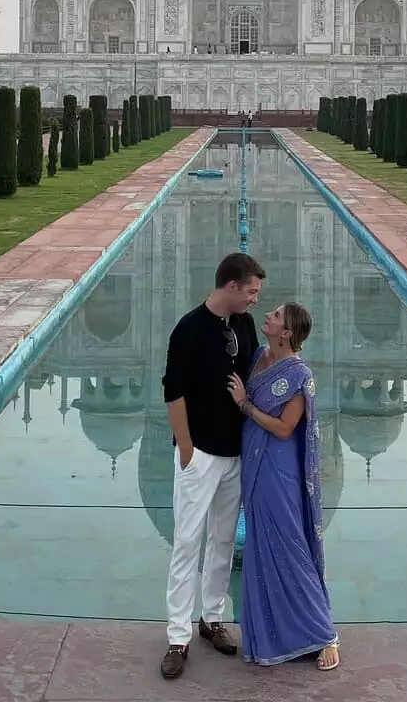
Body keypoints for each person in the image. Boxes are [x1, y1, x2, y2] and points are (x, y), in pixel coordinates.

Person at [160, 252, 265, 680]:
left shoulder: (243, 324)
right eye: (252, 291)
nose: (256, 299)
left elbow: (256, 375)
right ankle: (177, 636)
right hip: (199, 453)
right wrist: (186, 449)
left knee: (223, 541)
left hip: (234, 453)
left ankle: (212, 619)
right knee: (187, 542)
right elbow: (173, 392)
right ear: (231, 286)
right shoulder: (189, 329)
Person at [228, 302, 340, 672]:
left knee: (291, 546)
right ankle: (275, 635)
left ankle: (325, 634)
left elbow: (284, 428)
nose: (269, 317)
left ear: (287, 332)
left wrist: (244, 405)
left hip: (279, 470)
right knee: (261, 549)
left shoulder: (299, 374)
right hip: (254, 465)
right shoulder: (260, 355)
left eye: (275, 316)